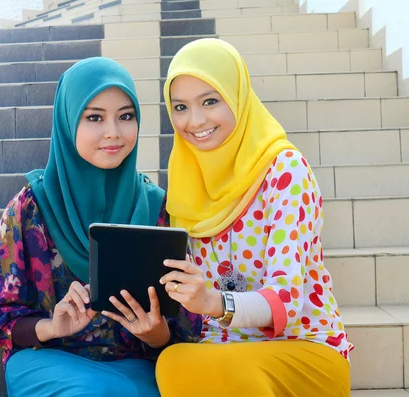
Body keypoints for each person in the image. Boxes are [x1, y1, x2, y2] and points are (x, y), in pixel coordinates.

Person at [0, 57, 201, 397]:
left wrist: (156, 335)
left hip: (139, 366)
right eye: (94, 117)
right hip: (47, 359)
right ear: (67, 122)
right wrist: (52, 326)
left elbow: (186, 325)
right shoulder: (29, 209)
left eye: (126, 116)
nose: (113, 131)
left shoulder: (158, 209)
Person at [156, 38, 353, 396]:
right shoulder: (183, 183)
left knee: (221, 375)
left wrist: (214, 302)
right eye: (180, 107)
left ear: (238, 97)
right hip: (220, 349)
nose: (195, 121)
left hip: (301, 348)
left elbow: (287, 299)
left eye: (210, 101)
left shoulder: (285, 170)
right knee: (173, 363)